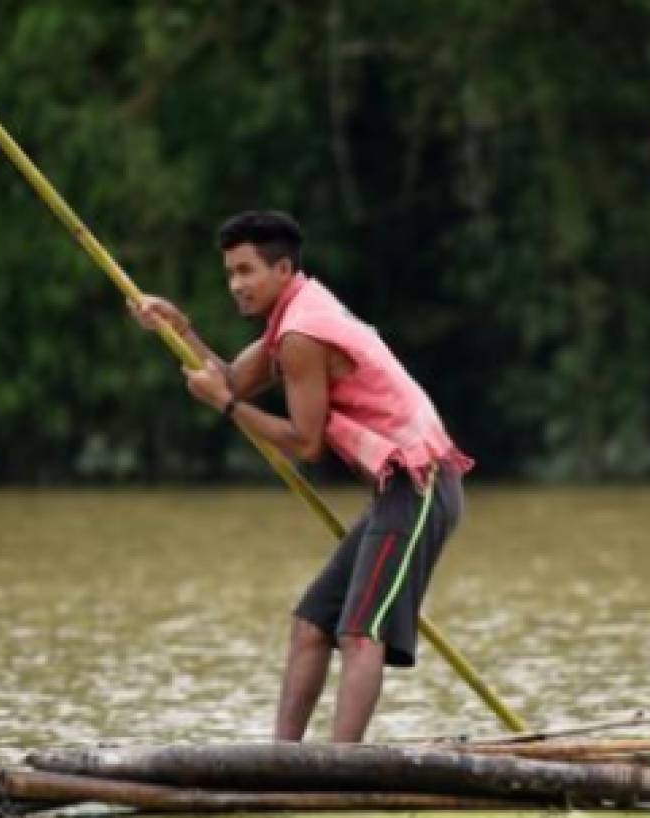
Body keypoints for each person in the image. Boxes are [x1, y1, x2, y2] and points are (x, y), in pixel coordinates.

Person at [129, 210, 472, 743]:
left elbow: (304, 443)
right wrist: (179, 328)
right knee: (312, 626)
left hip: (420, 487)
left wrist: (225, 409)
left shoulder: (301, 333)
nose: (236, 286)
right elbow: (234, 380)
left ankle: (339, 770)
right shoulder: (289, 318)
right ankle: (282, 763)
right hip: (394, 491)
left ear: (283, 269)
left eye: (246, 271)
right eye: (230, 274)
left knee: (359, 634)